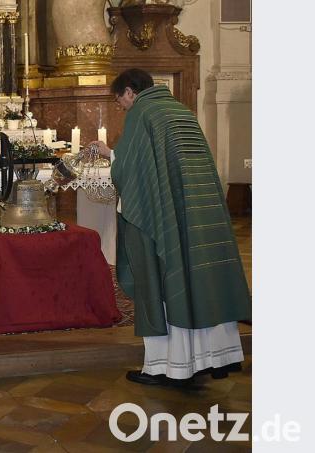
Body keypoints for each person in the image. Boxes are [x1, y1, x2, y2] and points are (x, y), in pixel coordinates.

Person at [89, 68, 251, 386]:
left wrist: (113, 164)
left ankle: (168, 366)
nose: (121, 106)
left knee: (162, 278)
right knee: (204, 280)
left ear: (131, 91)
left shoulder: (141, 112)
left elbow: (133, 172)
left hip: (162, 216)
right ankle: (217, 358)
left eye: (119, 99)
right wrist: (114, 154)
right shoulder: (180, 111)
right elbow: (161, 161)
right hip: (199, 211)